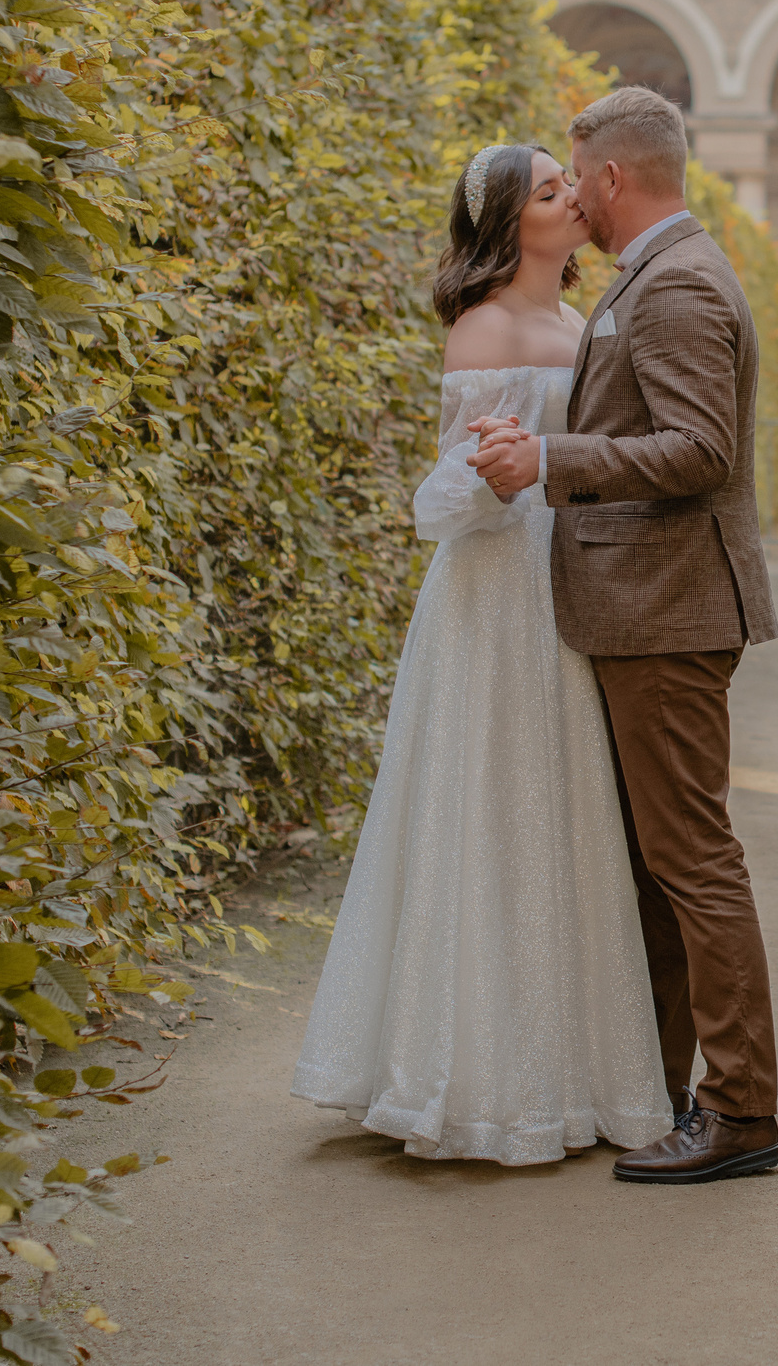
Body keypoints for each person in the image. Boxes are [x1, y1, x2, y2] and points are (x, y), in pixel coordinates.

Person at [288, 143, 674, 1165]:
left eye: (567, 184)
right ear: (509, 223)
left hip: (577, 581)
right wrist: (496, 478)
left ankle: (577, 1073)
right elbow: (444, 502)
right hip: (495, 593)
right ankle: (471, 1076)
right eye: (547, 192)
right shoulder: (484, 326)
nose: (571, 201)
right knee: (488, 810)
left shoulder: (588, 323)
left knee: (568, 810)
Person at [470, 86, 778, 1186]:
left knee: (692, 862)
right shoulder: (660, 274)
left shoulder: (677, 283)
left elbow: (699, 449)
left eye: (577, 176)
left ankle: (740, 1110)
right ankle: (662, 1089)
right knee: (663, 865)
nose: (577, 202)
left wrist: (554, 461)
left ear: (610, 176)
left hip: (669, 608)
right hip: (650, 604)